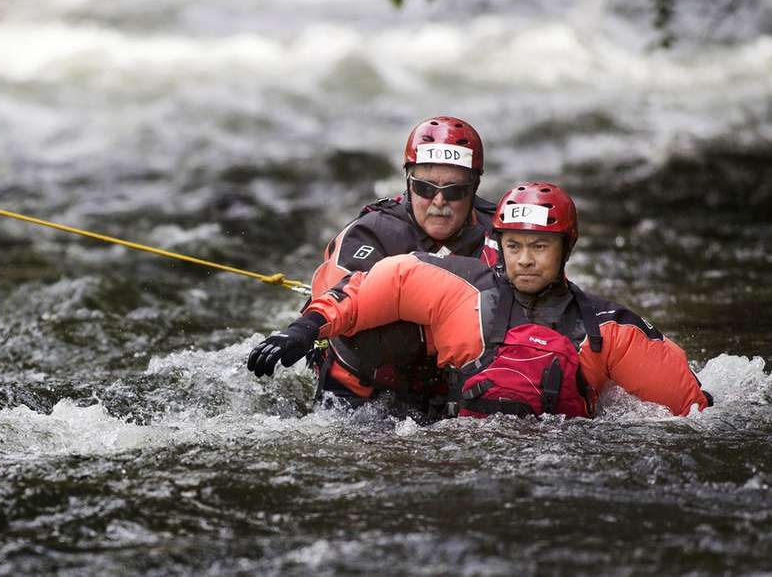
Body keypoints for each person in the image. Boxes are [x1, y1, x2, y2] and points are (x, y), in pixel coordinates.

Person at [251, 182, 711, 418]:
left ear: (567, 249)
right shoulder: (455, 286)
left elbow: (692, 411)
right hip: (458, 457)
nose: (525, 261)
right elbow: (366, 289)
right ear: (499, 244)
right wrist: (304, 330)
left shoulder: (609, 329)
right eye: (514, 246)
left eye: (540, 247)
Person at [309, 116, 498, 405]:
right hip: (368, 385)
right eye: (425, 188)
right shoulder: (369, 232)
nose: (438, 202)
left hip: (455, 382)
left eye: (454, 191)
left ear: (474, 189)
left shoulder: (503, 235)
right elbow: (340, 312)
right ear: (408, 183)